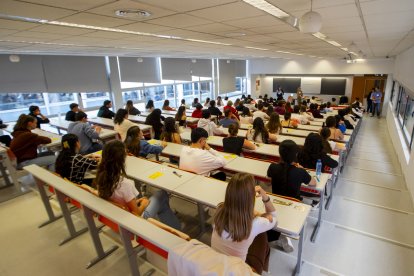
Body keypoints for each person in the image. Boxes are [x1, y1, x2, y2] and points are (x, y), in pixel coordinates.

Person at [96, 140, 180, 229]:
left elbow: (118, 201)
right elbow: (137, 213)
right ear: (122, 159)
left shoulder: (100, 177)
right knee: (161, 194)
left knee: (160, 203)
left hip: (116, 216)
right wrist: (144, 204)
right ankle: (176, 229)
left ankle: (173, 225)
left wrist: (136, 202)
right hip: (133, 222)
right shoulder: (124, 184)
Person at [211, 173, 276, 274]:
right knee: (263, 236)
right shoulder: (256, 223)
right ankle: (260, 271)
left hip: (215, 262)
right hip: (236, 270)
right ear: (251, 197)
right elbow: (274, 217)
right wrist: (264, 195)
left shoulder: (219, 210)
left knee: (259, 235)